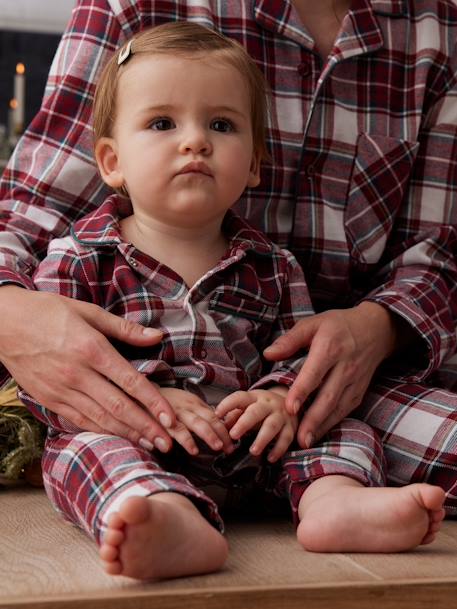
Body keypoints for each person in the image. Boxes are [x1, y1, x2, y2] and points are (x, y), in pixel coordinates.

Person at [0, 0, 456, 546]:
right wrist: (149, 397)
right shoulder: (80, 256)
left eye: (221, 124)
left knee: (338, 431)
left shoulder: (273, 266)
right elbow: (51, 363)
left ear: (256, 162)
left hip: (275, 426)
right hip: (140, 425)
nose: (195, 141)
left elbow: (302, 341)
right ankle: (162, 514)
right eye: (162, 123)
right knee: (82, 450)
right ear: (111, 161)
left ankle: (333, 502)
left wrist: (281, 398)